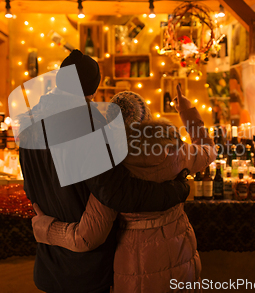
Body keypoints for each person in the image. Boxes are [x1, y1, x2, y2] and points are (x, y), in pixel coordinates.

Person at [18, 50, 191, 293]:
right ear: (92, 88)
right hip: (86, 266)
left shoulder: (29, 122)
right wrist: (176, 190)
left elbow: (31, 189)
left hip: (50, 263)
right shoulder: (87, 122)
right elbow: (116, 191)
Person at [32, 87, 216, 292]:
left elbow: (87, 237)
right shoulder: (177, 151)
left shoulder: (111, 171)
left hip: (135, 267)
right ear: (147, 118)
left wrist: (46, 229)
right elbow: (209, 150)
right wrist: (188, 111)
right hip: (182, 255)